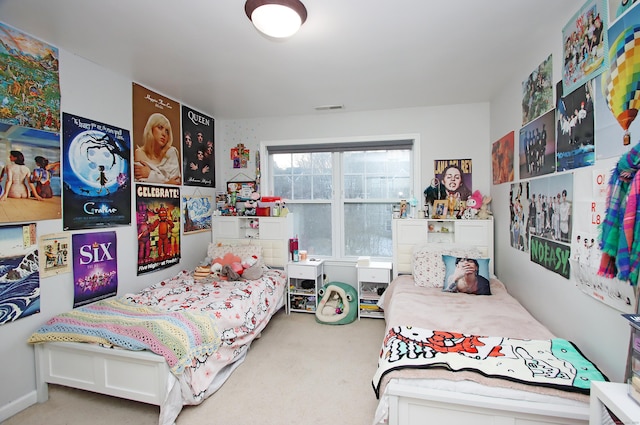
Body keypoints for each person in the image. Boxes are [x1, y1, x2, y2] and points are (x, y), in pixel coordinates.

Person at [134, 113, 181, 184]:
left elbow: (176, 183)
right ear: (151, 128)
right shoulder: (139, 153)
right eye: (160, 127)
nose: (164, 134)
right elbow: (141, 186)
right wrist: (167, 182)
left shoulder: (171, 152)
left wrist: (151, 175)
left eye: (167, 131)